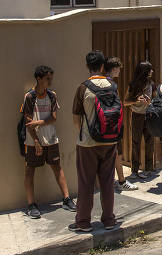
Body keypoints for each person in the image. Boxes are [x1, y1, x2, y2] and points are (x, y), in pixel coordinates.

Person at [70, 51, 118, 232]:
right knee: (107, 181)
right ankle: (109, 220)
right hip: (110, 140)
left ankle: (83, 221)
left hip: (88, 143)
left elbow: (76, 117)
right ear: (103, 66)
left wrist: (83, 133)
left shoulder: (83, 88)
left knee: (86, 182)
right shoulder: (112, 86)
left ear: (87, 66)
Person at [21, 65, 76, 219]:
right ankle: (31, 205)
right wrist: (37, 141)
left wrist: (38, 123)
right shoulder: (29, 97)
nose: (50, 81)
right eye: (47, 79)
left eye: (51, 78)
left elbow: (53, 118)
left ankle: (66, 199)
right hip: (33, 142)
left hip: (51, 139)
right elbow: (27, 122)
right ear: (38, 79)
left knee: (57, 167)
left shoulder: (52, 96)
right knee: (30, 170)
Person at [105, 57, 138, 191]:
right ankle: (121, 180)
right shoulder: (110, 84)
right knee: (116, 152)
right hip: (112, 123)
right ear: (113, 69)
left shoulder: (105, 83)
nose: (119, 71)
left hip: (108, 123)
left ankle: (113, 180)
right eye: (118, 68)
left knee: (112, 153)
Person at [125, 61, 156, 180]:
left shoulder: (152, 84)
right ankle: (134, 170)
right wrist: (136, 100)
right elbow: (125, 102)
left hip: (148, 115)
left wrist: (150, 102)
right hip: (136, 115)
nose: (152, 72)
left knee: (149, 141)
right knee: (135, 142)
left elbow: (156, 100)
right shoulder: (133, 85)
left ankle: (148, 169)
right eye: (150, 70)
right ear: (145, 71)